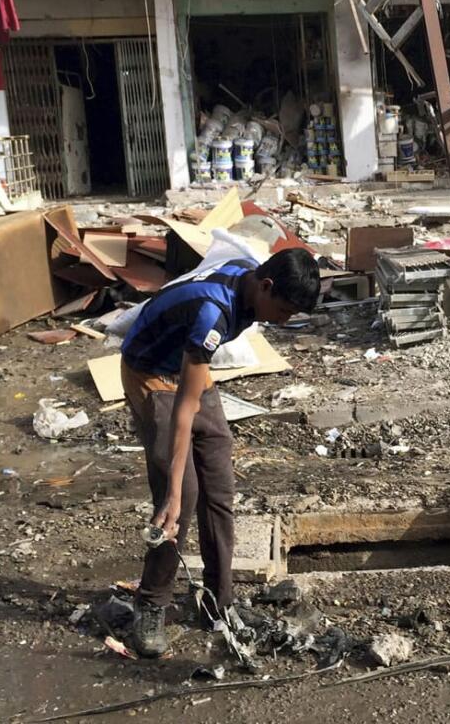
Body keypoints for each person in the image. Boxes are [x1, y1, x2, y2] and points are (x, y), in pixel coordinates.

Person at [119, 248, 320, 658]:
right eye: (281, 310)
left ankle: (218, 602)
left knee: (219, 484)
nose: (281, 320)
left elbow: (194, 386)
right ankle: (152, 602)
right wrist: (173, 492)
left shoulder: (250, 283)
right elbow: (183, 411)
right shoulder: (213, 314)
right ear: (264, 286)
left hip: (189, 364)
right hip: (151, 372)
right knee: (183, 496)